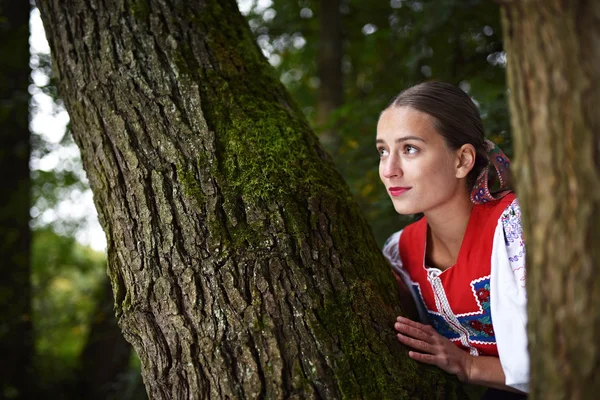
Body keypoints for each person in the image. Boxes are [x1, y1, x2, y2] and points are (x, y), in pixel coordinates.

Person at [378, 82, 528, 399]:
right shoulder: (399, 251)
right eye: (383, 151)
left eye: (409, 149)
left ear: (462, 160)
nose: (389, 170)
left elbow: (574, 351)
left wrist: (468, 366)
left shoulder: (517, 230)